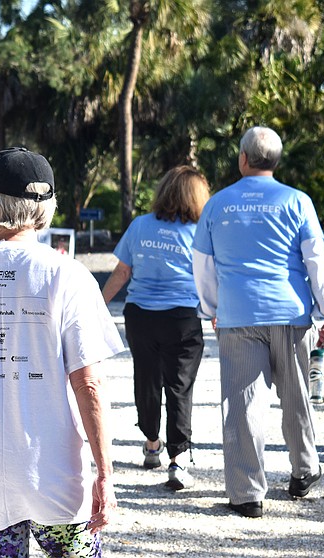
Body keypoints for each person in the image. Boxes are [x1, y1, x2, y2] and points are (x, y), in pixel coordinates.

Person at [0, 147, 123, 558]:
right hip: (53, 472)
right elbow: (88, 382)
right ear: (46, 208)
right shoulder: (68, 276)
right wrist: (105, 473)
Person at [192, 126, 324, 518]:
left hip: (238, 315)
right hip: (291, 314)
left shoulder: (217, 205)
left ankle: (247, 493)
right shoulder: (297, 202)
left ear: (243, 158)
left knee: (243, 404)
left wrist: (212, 308)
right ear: (275, 160)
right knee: (296, 396)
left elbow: (202, 266)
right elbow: (316, 259)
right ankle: (305, 469)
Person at [101, 166, 210, 490]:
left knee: (146, 379)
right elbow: (209, 277)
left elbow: (121, 273)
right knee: (179, 386)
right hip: (182, 318)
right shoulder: (199, 232)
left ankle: (152, 444)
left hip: (141, 317)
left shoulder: (140, 225)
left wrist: (97, 305)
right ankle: (178, 460)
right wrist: (218, 311)